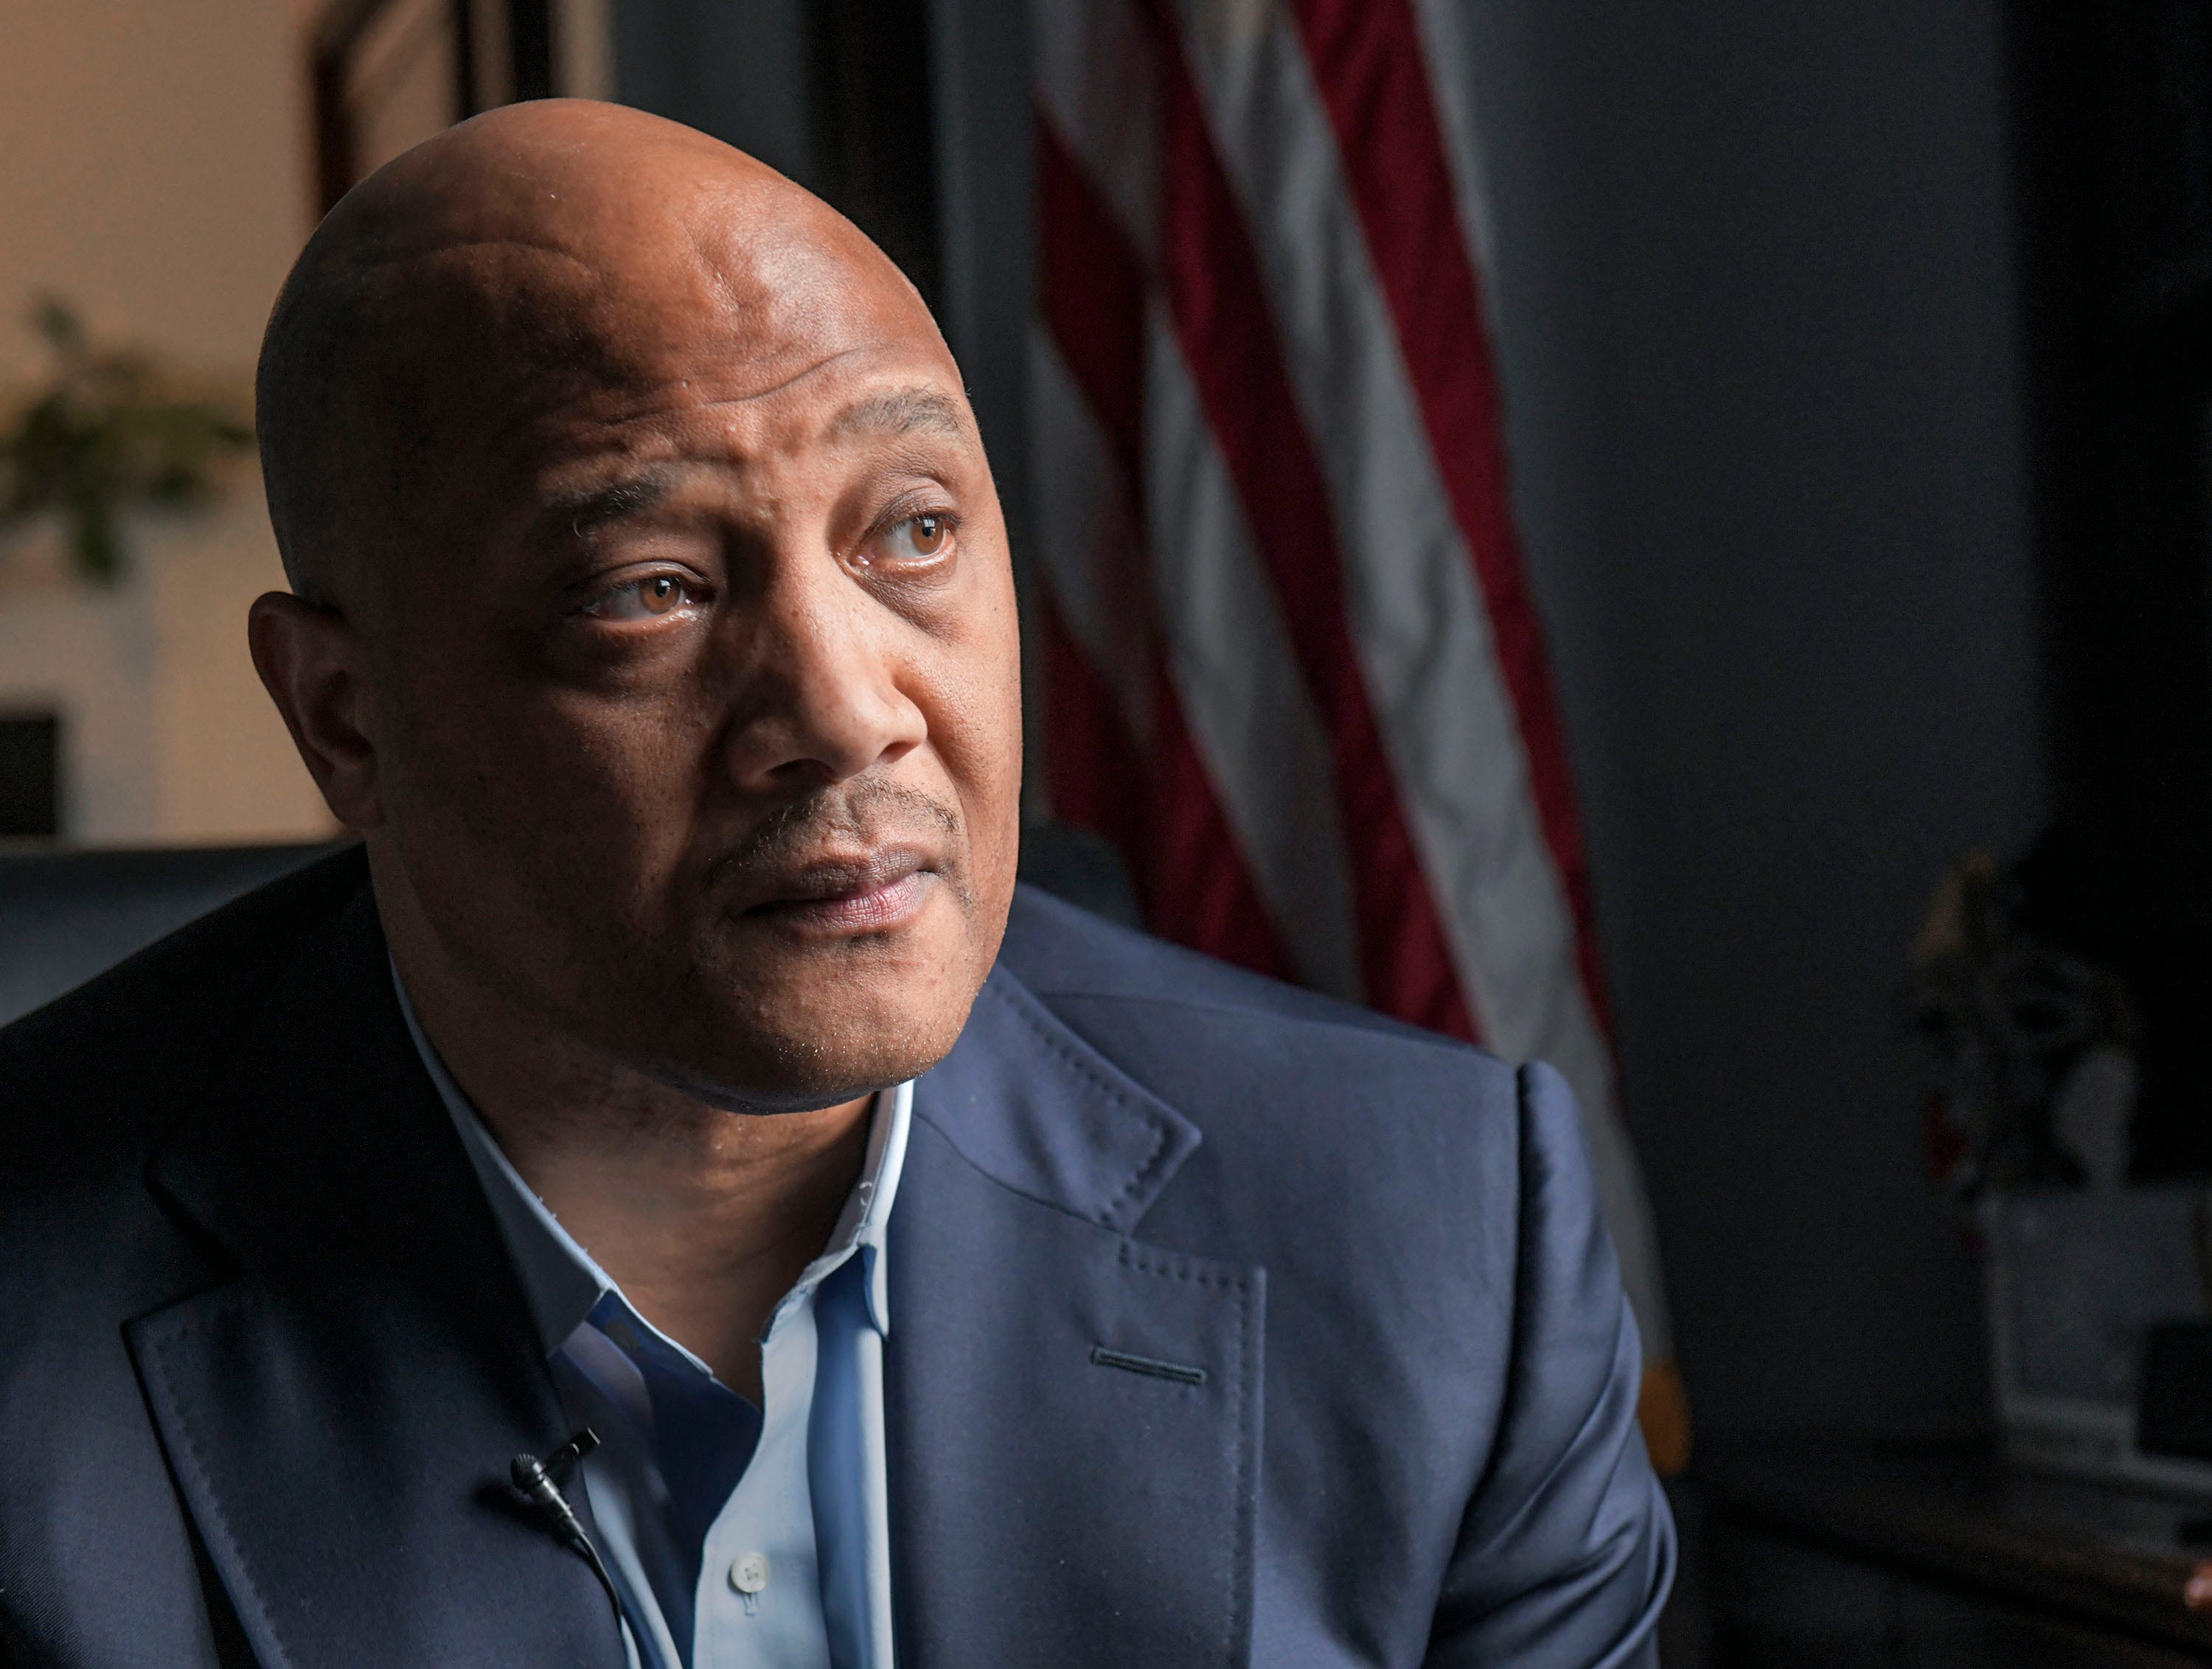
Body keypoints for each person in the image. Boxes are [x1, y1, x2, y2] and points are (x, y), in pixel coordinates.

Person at [0, 101, 1672, 1668]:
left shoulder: (1432, 1239)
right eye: (650, 587)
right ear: (346, 720)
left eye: (914, 533)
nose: (850, 707)